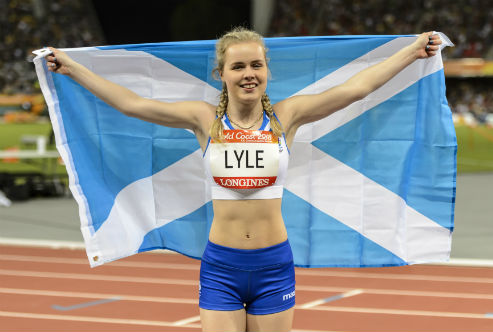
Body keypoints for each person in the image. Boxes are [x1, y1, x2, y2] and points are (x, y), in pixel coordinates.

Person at [45, 27, 442, 332]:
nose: (248, 74)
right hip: (222, 266)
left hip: (273, 266)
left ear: (267, 69)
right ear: (222, 74)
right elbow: (132, 104)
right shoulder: (205, 120)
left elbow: (358, 88)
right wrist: (74, 68)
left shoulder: (287, 117)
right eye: (238, 66)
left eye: (256, 65)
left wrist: (410, 51)